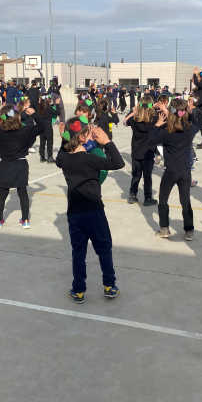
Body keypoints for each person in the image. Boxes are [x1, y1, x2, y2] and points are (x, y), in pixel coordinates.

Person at [56, 117, 125, 304]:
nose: (93, 133)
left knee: (78, 252)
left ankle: (78, 290)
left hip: (74, 213)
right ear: (82, 138)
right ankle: (109, 285)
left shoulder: (65, 159)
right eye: (89, 132)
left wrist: (63, 140)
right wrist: (107, 142)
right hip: (94, 211)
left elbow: (59, 158)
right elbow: (118, 163)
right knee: (104, 248)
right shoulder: (91, 159)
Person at [0, 104, 45, 229]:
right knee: (23, 192)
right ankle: (25, 220)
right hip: (21, 164)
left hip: (5, 164)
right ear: (17, 117)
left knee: (3, 193)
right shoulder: (25, 130)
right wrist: (34, 114)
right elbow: (42, 126)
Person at [148, 97, 199, 241]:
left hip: (171, 171)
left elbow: (151, 140)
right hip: (185, 171)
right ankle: (189, 230)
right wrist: (191, 112)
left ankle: (164, 228)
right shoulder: (190, 130)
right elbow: (197, 124)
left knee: (163, 199)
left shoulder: (166, 131)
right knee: (185, 201)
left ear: (171, 111)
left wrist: (157, 125)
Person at [124, 95, 158, 206]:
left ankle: (132, 194)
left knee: (136, 175)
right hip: (148, 152)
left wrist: (134, 111)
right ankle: (148, 197)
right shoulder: (154, 119)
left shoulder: (134, 119)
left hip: (136, 152)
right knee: (147, 176)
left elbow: (124, 122)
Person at [38, 94, 60, 163]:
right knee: (49, 142)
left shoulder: (39, 107)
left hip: (41, 127)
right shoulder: (49, 108)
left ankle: (42, 156)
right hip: (48, 127)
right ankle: (50, 157)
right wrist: (57, 104)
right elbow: (58, 112)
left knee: (42, 142)